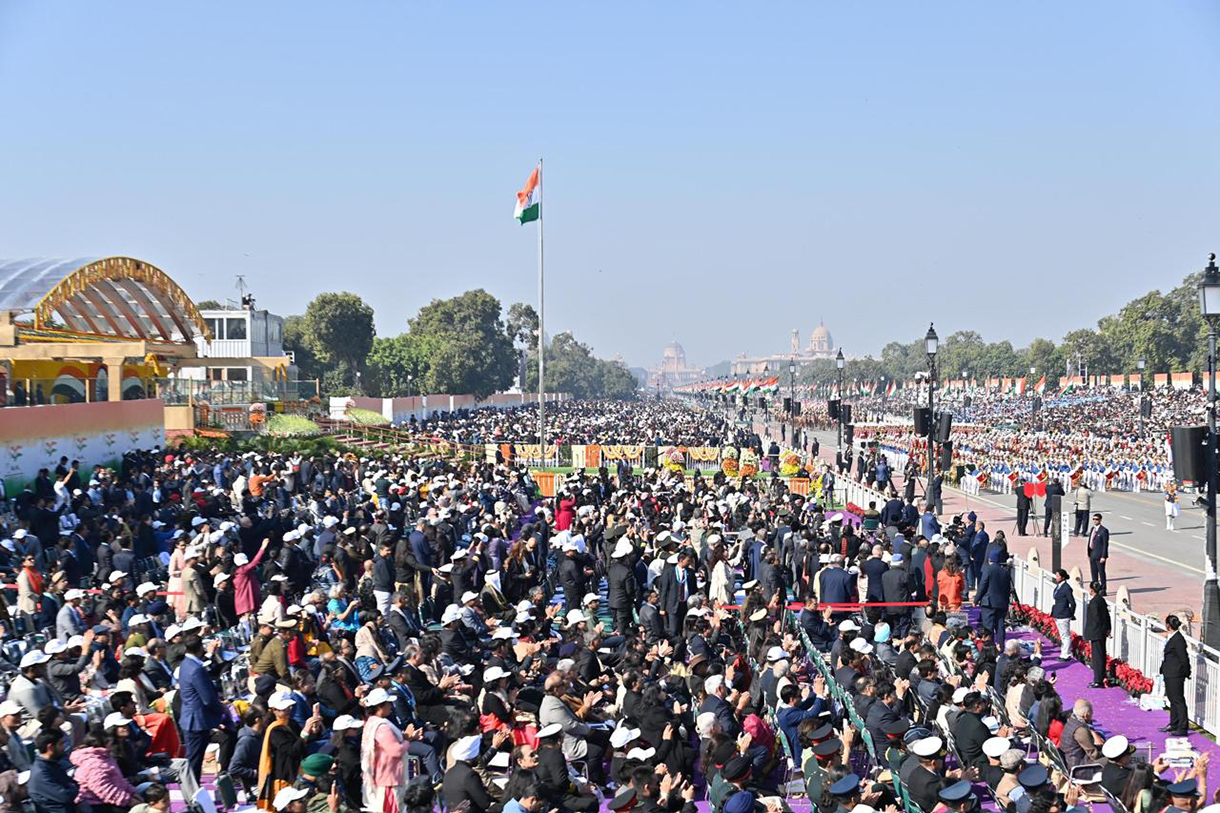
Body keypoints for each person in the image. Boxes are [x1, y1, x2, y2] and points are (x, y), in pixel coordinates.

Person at [177, 633, 225, 782]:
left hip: (192, 717)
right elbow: (208, 699)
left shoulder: (186, 664)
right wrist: (223, 711)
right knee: (194, 760)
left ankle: (192, 788)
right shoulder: (196, 669)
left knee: (194, 758)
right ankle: (191, 792)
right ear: (200, 648)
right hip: (196, 721)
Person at [28, 728, 79, 813]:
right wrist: (73, 787)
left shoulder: (53, 764)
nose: (64, 747)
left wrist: (73, 786)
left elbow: (72, 784)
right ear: (50, 747)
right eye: (61, 744)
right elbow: (65, 796)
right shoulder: (41, 772)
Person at [1161, 614, 1191, 736]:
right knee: (1172, 699)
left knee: (1178, 700)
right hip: (1169, 672)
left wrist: (1186, 672)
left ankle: (1182, 727)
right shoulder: (1172, 637)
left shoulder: (1178, 639)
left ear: (1168, 625)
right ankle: (1174, 724)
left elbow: (1184, 658)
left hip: (1176, 674)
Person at [976, 549, 1011, 645]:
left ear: (989, 560)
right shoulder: (1005, 572)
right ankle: (1000, 647)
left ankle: (990, 648)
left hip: (989, 603)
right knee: (1000, 627)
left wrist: (976, 599)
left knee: (988, 627)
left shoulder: (988, 570)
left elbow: (983, 585)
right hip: (1001, 603)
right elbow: (1008, 590)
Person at [1084, 581, 1110, 688]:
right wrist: (1107, 629)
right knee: (1101, 655)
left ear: (1092, 589)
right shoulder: (1101, 600)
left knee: (1098, 657)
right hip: (1101, 632)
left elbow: (1096, 619)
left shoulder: (1095, 602)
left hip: (1097, 633)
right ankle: (1101, 677)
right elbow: (1106, 616)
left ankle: (1098, 680)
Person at [1050, 570, 1076, 646]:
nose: (1056, 578)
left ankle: (1066, 654)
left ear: (1063, 577)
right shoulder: (1059, 586)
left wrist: (1071, 614)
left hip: (1064, 614)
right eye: (1056, 576)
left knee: (1066, 636)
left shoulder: (1066, 588)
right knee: (1062, 635)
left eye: (1058, 576)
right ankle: (1064, 652)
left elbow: (1073, 603)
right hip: (1058, 613)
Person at [1087, 513, 1109, 593]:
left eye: (1096, 519)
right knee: (1094, 573)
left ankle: (1103, 589)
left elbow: (1105, 545)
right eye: (1093, 519)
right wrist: (1089, 553)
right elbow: (1090, 541)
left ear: (1100, 520)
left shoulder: (1104, 530)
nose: (1095, 521)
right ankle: (1095, 588)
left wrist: (1104, 556)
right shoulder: (1093, 529)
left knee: (1101, 572)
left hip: (1100, 556)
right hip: (1092, 554)